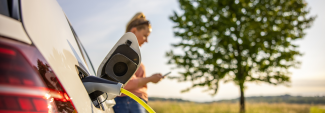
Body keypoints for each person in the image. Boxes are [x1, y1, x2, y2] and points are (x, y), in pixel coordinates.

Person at [113, 12, 164, 113]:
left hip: (131, 102)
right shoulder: (126, 54)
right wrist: (150, 79)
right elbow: (126, 84)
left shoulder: (130, 54)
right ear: (134, 31)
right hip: (130, 101)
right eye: (145, 35)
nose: (147, 40)